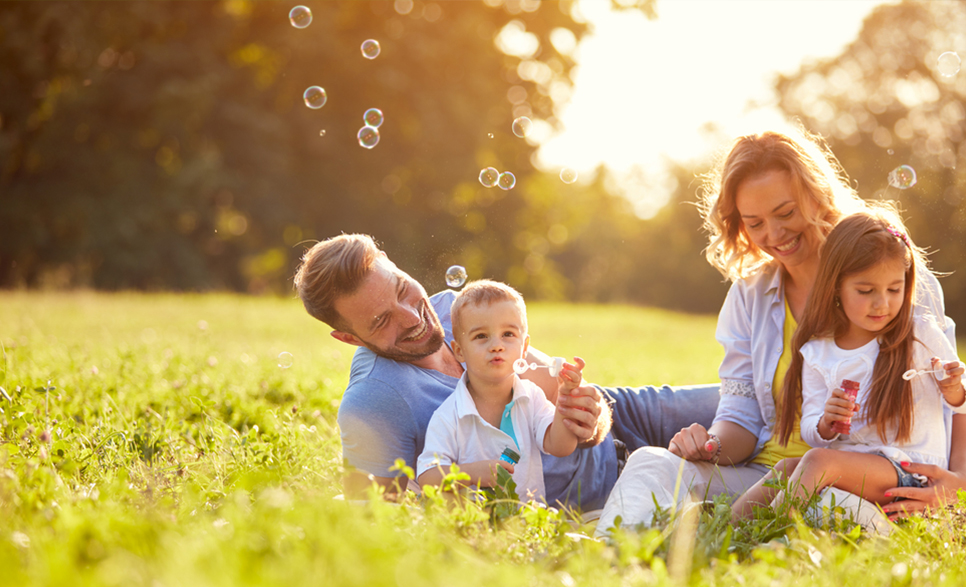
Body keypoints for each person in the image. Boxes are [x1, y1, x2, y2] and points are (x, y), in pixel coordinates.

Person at [595, 127, 964, 535]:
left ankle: (725, 541)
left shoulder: (895, 280)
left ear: (817, 196)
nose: (773, 235)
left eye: (785, 213)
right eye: (755, 223)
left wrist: (959, 485)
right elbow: (739, 415)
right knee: (652, 462)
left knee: (829, 507)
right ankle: (616, 560)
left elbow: (953, 394)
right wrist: (711, 445)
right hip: (766, 477)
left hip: (861, 480)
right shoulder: (750, 296)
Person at [293, 233, 720, 512]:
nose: (412, 317)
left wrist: (590, 417)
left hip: (624, 414)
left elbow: (557, 386)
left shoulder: (450, 307)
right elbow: (381, 521)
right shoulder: (374, 400)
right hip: (600, 493)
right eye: (381, 321)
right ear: (349, 339)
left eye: (404, 289)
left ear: (394, 264)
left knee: (753, 401)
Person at [730, 212, 965, 518]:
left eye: (894, 289)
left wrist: (954, 389)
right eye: (866, 291)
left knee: (816, 462)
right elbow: (811, 429)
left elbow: (961, 405)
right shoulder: (818, 352)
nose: (882, 303)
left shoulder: (919, 334)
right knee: (787, 466)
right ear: (836, 287)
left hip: (909, 471)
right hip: (854, 467)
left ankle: (767, 531)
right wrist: (826, 422)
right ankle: (728, 526)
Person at [417, 280, 584, 499]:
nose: (497, 345)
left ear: (524, 348)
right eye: (481, 336)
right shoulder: (450, 415)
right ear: (459, 351)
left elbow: (561, 446)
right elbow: (427, 476)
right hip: (472, 524)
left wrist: (565, 400)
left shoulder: (531, 397)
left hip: (527, 523)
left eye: (508, 334)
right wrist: (471, 474)